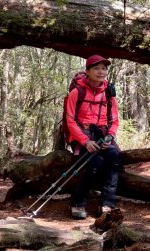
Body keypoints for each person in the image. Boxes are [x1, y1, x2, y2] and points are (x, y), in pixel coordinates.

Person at [66, 54, 120, 219]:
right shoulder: (77, 92)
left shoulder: (109, 93)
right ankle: (77, 203)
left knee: (114, 157)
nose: (101, 72)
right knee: (94, 163)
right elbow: (70, 120)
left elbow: (114, 120)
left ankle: (107, 204)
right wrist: (85, 141)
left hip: (103, 136)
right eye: (96, 68)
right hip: (82, 137)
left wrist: (109, 138)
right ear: (87, 71)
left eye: (104, 68)